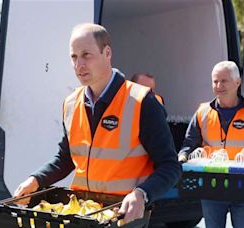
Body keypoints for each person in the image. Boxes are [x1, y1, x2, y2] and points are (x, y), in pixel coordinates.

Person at [14, 23, 181, 224]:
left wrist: (142, 194)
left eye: (86, 55)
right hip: (81, 216)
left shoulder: (142, 101)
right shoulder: (71, 103)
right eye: (74, 57)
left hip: (123, 217)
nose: (79, 65)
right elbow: (65, 158)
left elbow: (170, 167)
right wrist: (36, 180)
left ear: (107, 52)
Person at [178, 61, 244, 228]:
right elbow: (189, 143)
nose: (218, 86)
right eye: (215, 81)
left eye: (224, 81)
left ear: (237, 82)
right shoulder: (203, 112)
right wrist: (182, 157)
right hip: (212, 186)